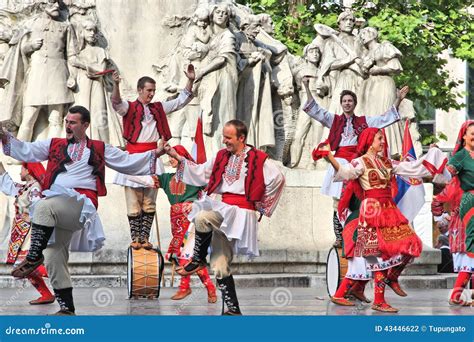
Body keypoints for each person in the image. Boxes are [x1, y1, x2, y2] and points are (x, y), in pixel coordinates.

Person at [2, 105, 164, 315]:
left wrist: (156, 153)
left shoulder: (99, 147)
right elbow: (26, 150)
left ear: (85, 125)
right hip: (57, 205)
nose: (67, 126)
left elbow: (128, 162)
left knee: (43, 207)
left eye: (73, 122)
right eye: (66, 122)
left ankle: (33, 257)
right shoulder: (54, 144)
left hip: (81, 203)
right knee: (53, 255)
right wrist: (3, 134)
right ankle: (67, 308)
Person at [165, 119, 285, 315]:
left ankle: (197, 259)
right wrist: (177, 156)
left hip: (240, 212)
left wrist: (261, 204)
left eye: (229, 138)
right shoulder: (221, 156)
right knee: (220, 266)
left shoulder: (259, 158)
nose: (225, 141)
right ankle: (233, 309)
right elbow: (201, 172)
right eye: (224, 137)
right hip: (223, 211)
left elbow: (278, 179)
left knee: (202, 216)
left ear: (242, 138)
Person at [324, 127, 448, 312]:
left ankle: (387, 279)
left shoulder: (387, 162)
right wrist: (330, 158)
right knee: (376, 255)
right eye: (379, 138)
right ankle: (377, 300)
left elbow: (413, 167)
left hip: (389, 211)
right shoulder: (361, 162)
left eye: (382, 139)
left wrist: (433, 154)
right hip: (371, 212)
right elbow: (346, 173)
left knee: (411, 244)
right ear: (369, 141)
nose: (383, 142)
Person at [302, 77, 408, 247]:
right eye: (344, 101)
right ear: (341, 103)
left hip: (358, 164)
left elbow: (385, 118)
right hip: (339, 163)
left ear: (355, 103)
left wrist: (399, 99)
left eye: (350, 100)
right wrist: (306, 87)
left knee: (359, 200)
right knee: (337, 202)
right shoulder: (334, 119)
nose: (347, 103)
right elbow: (314, 109)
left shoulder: (364, 122)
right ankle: (339, 236)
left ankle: (358, 235)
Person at [111, 66, 195, 250]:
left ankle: (145, 238)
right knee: (133, 201)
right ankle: (135, 238)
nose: (151, 94)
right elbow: (116, 102)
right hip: (133, 158)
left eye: (153, 91)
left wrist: (190, 80)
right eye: (148, 90)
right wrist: (116, 84)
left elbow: (180, 102)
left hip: (153, 158)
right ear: (139, 90)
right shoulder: (129, 107)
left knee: (149, 202)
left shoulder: (158, 108)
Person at [127, 146, 217, 303]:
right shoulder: (167, 177)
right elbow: (148, 181)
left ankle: (185, 288)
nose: (170, 159)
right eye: (169, 156)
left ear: (182, 157)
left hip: (191, 219)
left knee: (185, 254)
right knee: (185, 256)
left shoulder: (195, 176)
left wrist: (196, 204)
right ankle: (209, 287)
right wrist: (125, 173)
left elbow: (211, 192)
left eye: (173, 156)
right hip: (176, 220)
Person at [17, 0, 77, 141]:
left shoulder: (65, 26)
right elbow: (21, 48)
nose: (57, 6)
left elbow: (71, 54)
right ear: (43, 4)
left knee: (56, 119)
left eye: (58, 3)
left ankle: (52, 155)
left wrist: (72, 76)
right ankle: (17, 154)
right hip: (38, 72)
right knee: (29, 116)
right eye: (52, 2)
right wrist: (31, 45)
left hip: (59, 74)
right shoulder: (31, 24)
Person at [0, 161, 54, 305]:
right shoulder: (26, 187)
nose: (20, 172)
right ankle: (46, 294)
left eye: (22, 169)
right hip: (21, 231)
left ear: (29, 170)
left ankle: (57, 273)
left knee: (25, 265)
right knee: (24, 266)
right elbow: (8, 185)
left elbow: (40, 208)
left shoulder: (35, 188)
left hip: (29, 232)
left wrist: (30, 217)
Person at [440, 120, 474, 306]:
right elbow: (446, 175)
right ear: (464, 136)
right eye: (472, 133)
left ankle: (459, 296)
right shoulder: (461, 156)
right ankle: (455, 295)